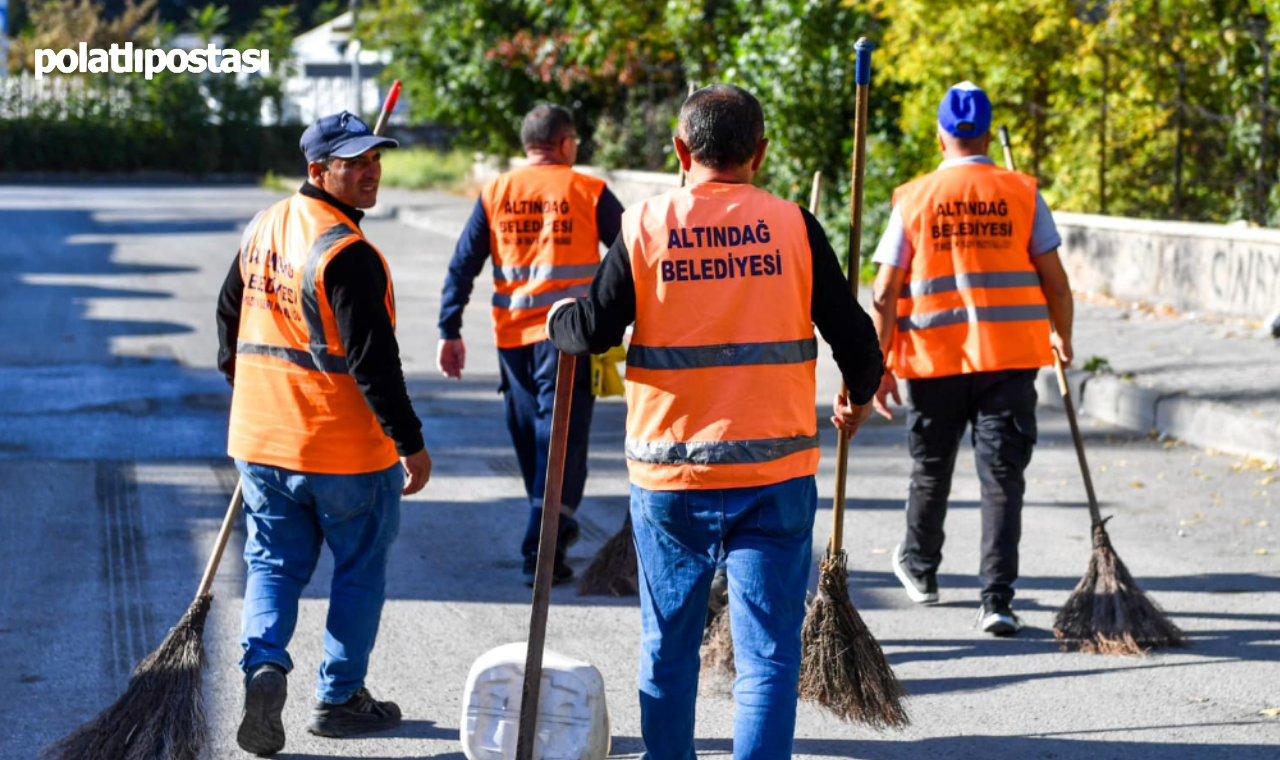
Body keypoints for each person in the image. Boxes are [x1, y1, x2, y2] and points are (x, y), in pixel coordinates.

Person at [547, 84, 883, 760]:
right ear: (760, 153)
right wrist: (858, 396)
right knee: (766, 656)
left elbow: (595, 328)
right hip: (775, 474)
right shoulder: (794, 226)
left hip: (672, 474)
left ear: (680, 150)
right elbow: (858, 341)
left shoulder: (643, 225)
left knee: (668, 644)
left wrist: (562, 322)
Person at [216, 110, 432, 755]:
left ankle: (264, 663)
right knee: (360, 570)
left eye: (375, 159)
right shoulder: (346, 252)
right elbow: (374, 362)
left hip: (261, 440)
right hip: (342, 452)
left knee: (273, 565)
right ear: (319, 170)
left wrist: (248, 385)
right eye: (355, 162)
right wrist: (410, 443)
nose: (372, 171)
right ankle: (339, 698)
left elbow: (230, 312)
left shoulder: (265, 226)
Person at [868, 81, 1074, 635]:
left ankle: (920, 569)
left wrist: (880, 363)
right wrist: (1063, 335)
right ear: (986, 133)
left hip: (933, 361)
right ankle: (997, 599)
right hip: (1009, 361)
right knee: (1002, 478)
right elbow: (1055, 282)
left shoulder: (914, 199)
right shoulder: (1022, 191)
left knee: (931, 468)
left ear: (941, 138)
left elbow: (885, 293)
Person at [436, 104, 624, 585]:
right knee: (558, 442)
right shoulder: (588, 190)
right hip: (568, 339)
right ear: (564, 144)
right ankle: (543, 540)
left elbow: (462, 264)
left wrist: (449, 329)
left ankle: (547, 536)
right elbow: (635, 253)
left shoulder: (496, 191)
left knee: (538, 441)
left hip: (513, 340)